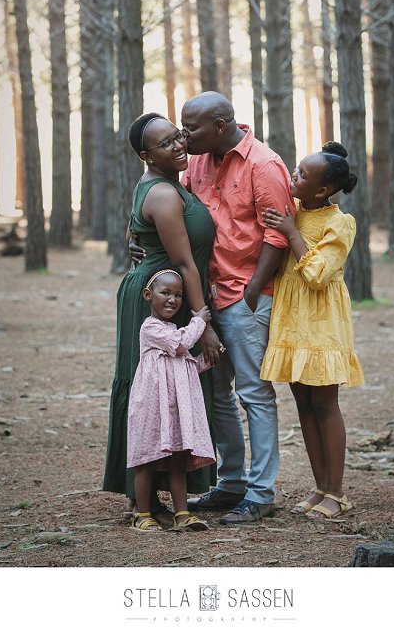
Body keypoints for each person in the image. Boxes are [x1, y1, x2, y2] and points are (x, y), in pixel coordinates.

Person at [180, 92, 296, 524]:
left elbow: (278, 236)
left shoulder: (263, 165)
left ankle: (262, 493)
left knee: (254, 394)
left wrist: (251, 293)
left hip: (244, 298)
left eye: (191, 127)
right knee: (218, 394)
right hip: (206, 300)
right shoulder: (197, 162)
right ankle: (231, 484)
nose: (183, 134)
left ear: (223, 123)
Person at [102, 113, 222, 524]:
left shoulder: (166, 183)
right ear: (145, 154)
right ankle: (143, 501)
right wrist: (203, 325)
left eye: (179, 136)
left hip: (163, 292)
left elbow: (140, 230)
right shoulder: (165, 194)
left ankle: (151, 498)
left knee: (166, 393)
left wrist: (133, 239)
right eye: (166, 143)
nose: (179, 145)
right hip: (161, 301)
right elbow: (186, 263)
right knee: (149, 394)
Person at [260, 141, 365, 520]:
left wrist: (291, 232)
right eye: (296, 169)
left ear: (322, 190)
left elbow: (320, 274)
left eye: (303, 175)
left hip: (322, 323)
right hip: (291, 321)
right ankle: (320, 487)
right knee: (303, 405)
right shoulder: (292, 212)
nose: (294, 175)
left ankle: (337, 493)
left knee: (324, 404)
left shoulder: (340, 222)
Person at [128, 267, 215, 532]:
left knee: (179, 459)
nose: (173, 299)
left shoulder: (171, 331)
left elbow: (183, 364)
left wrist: (206, 361)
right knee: (147, 460)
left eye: (178, 295)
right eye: (165, 292)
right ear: (148, 295)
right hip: (153, 408)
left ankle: (182, 513)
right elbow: (182, 343)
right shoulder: (152, 328)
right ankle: (142, 514)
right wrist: (200, 320)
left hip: (175, 409)